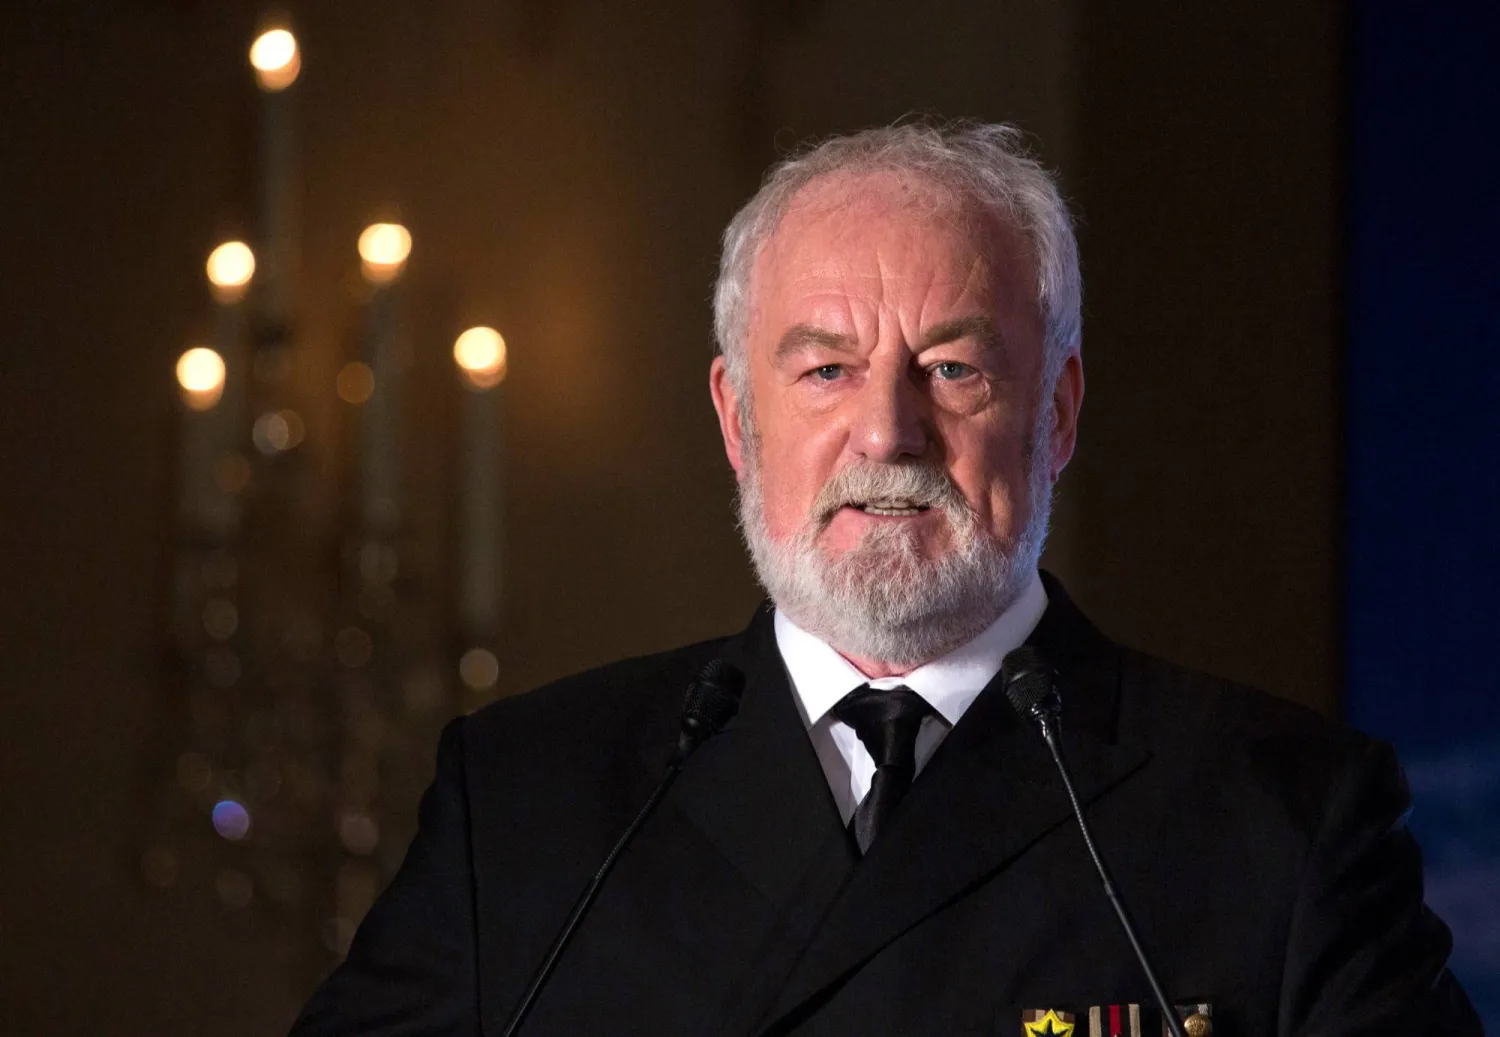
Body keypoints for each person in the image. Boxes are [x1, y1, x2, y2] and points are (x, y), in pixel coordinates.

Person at [289, 122, 1481, 1035]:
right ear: (736, 417)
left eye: (953, 367)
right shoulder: (525, 803)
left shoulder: (1280, 816)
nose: (886, 434)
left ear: (1057, 411)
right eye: (824, 370)